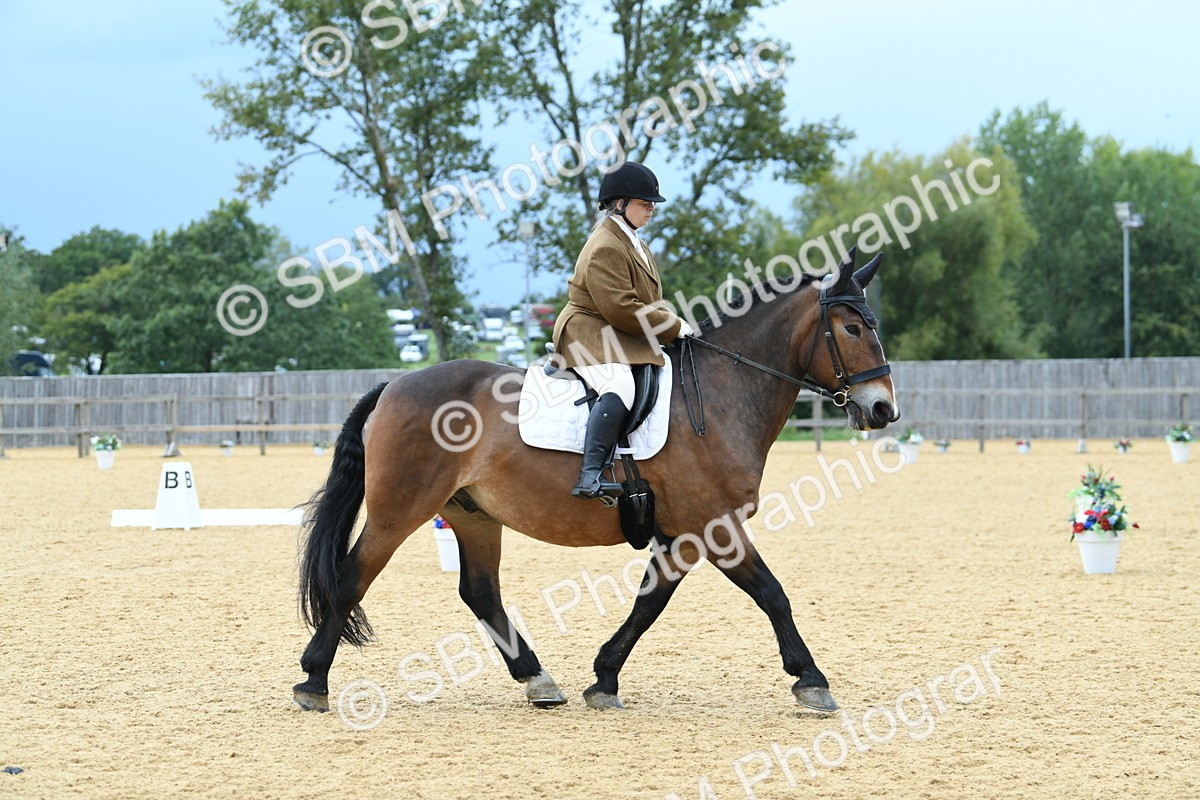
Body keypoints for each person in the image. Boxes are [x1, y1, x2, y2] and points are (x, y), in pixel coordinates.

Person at [551, 161, 694, 499]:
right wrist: (672, 327)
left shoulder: (633, 242)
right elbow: (622, 309)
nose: (651, 210)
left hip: (614, 331)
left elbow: (647, 299)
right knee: (620, 386)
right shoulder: (606, 246)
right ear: (619, 204)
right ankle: (590, 475)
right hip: (588, 334)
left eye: (652, 205)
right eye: (645, 204)